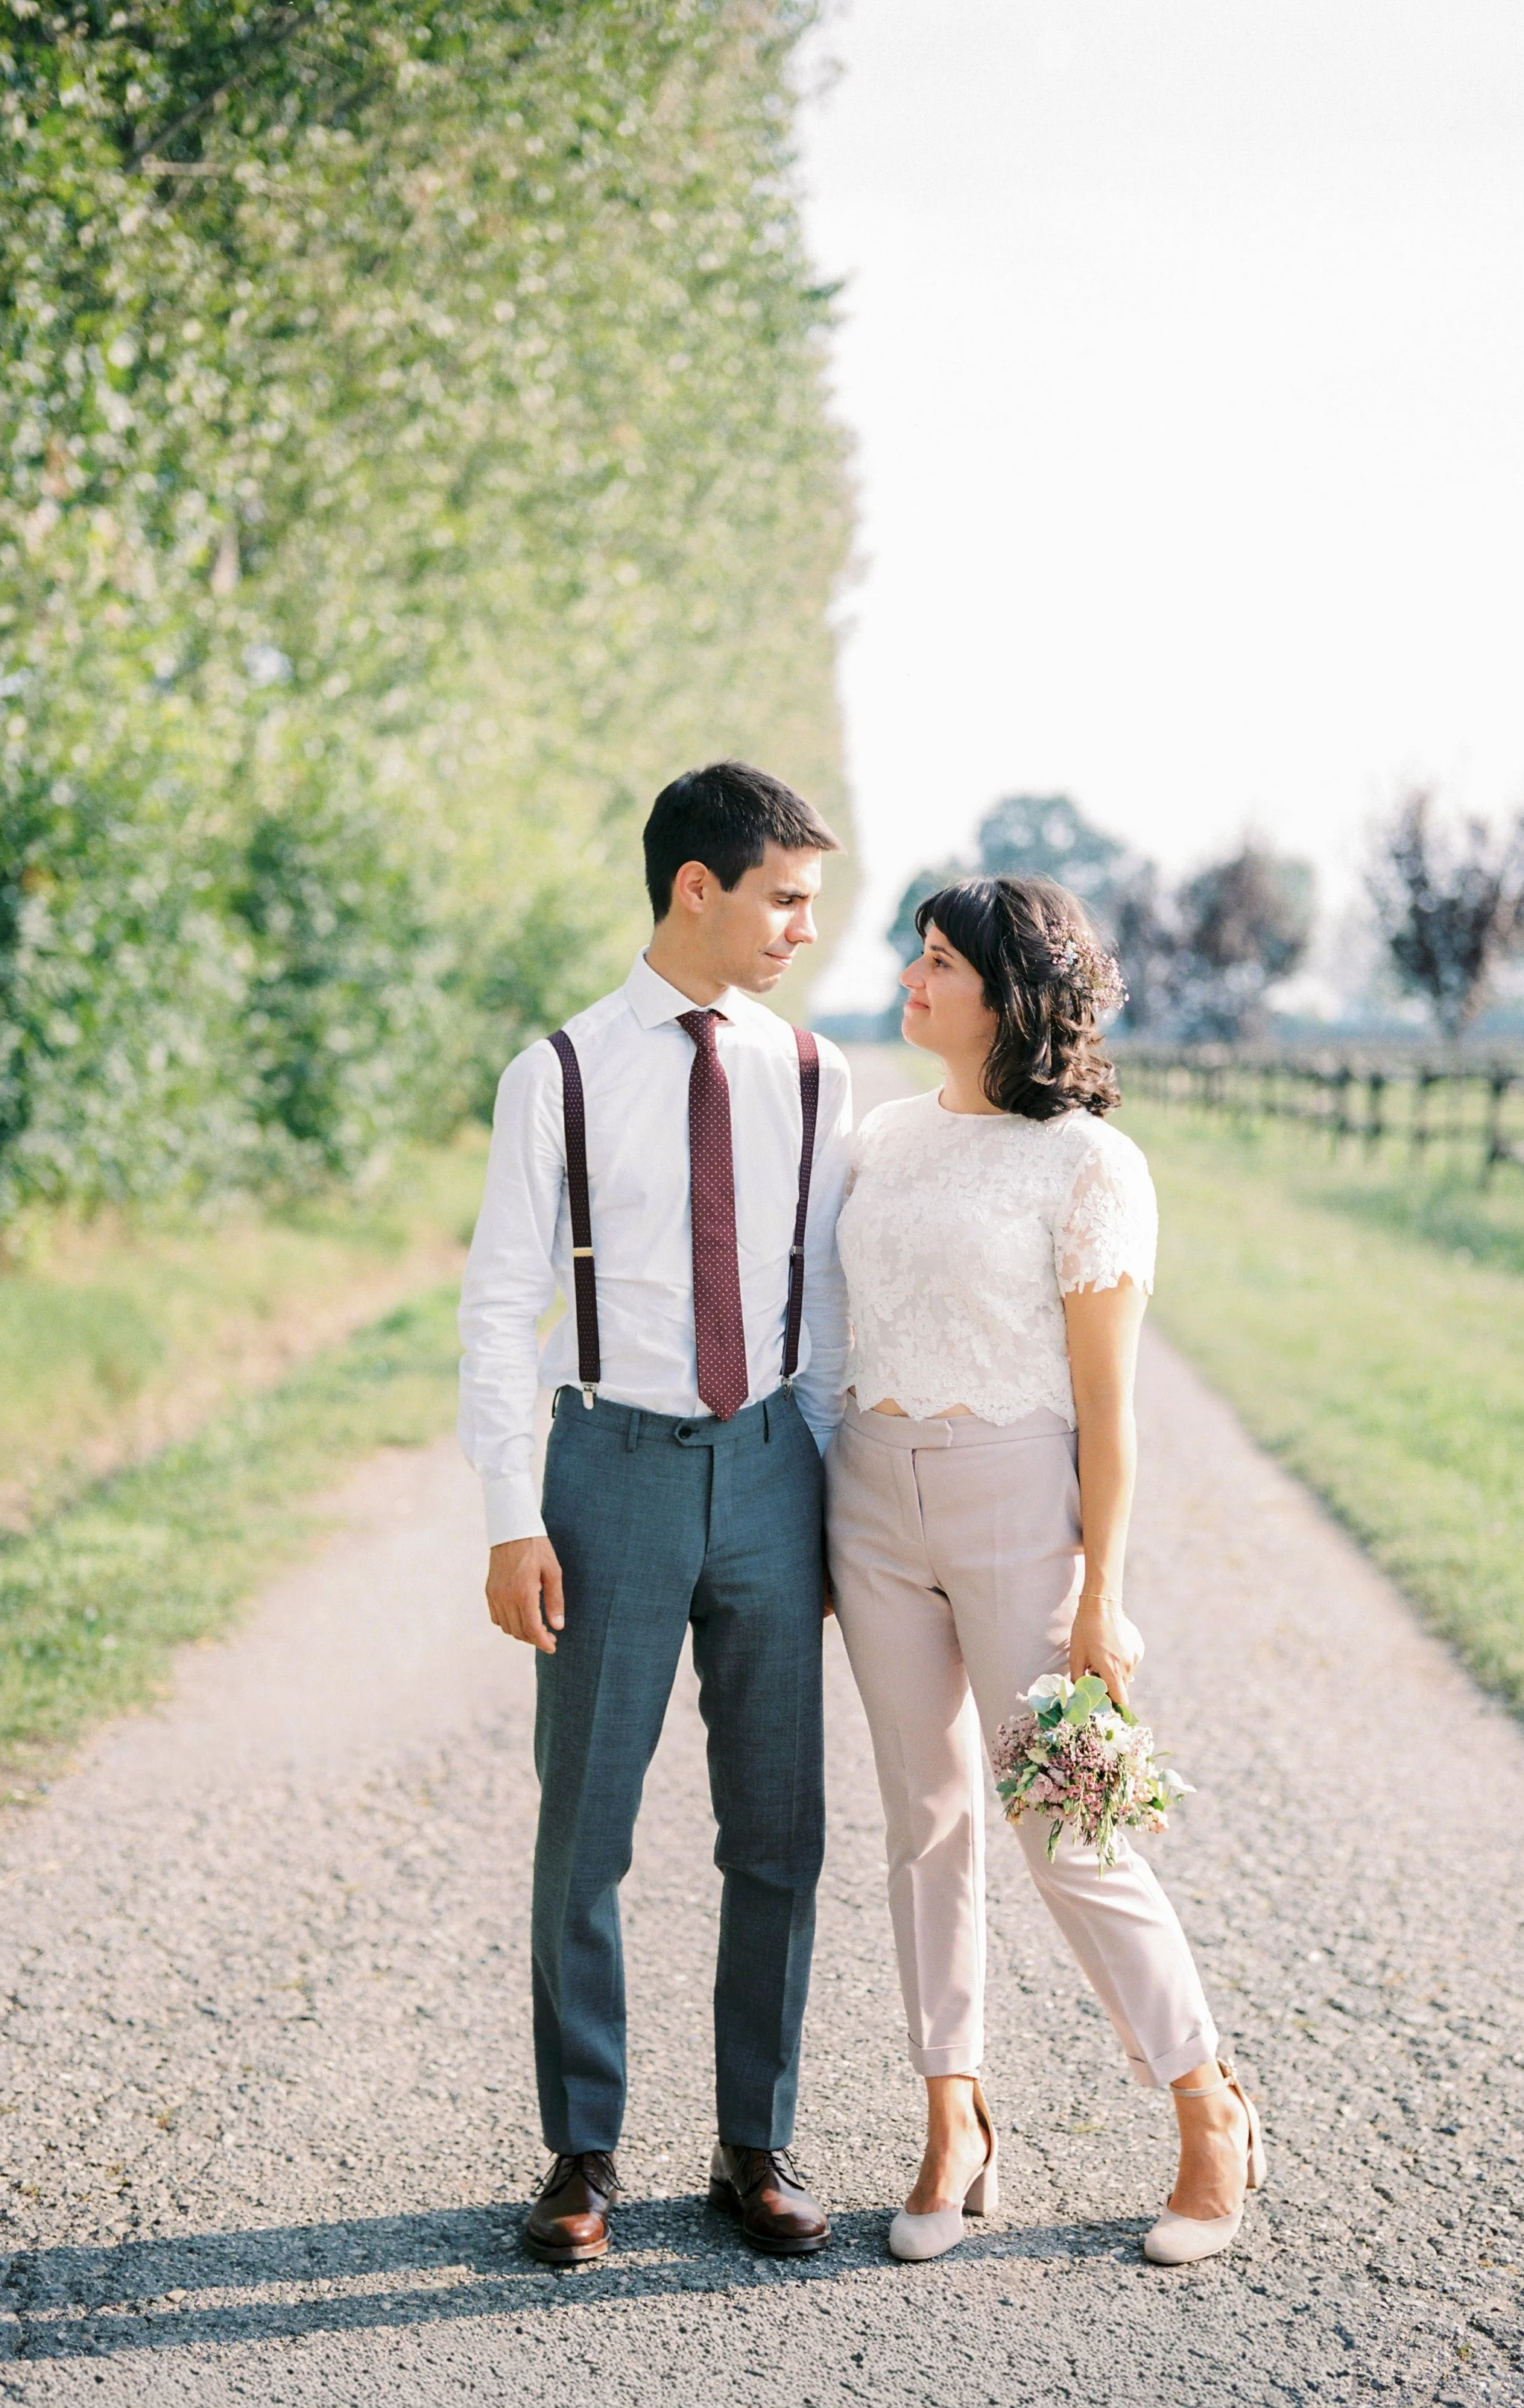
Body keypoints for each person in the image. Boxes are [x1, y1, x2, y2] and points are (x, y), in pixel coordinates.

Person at [826, 873, 1265, 2266]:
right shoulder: (883, 1136)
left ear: (1009, 995)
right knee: (923, 1821)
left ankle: (1206, 2105)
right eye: (916, 953)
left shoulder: (1091, 1165)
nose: (912, 977)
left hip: (1018, 1500)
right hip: (868, 1497)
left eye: (940, 961)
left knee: (1063, 1822)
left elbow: (1110, 1407)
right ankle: (952, 2119)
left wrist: (1103, 1593)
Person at [458, 759, 852, 2265]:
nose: (804, 928)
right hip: (606, 1472)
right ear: (698, 886)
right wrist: (512, 1513)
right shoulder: (555, 1071)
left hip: (771, 1468)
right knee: (586, 1827)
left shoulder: (810, 1072)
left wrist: (833, 1507)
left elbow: (828, 1312)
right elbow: (498, 1304)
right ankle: (581, 2152)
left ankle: (758, 2141)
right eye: (785, 898)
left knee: (779, 1826)